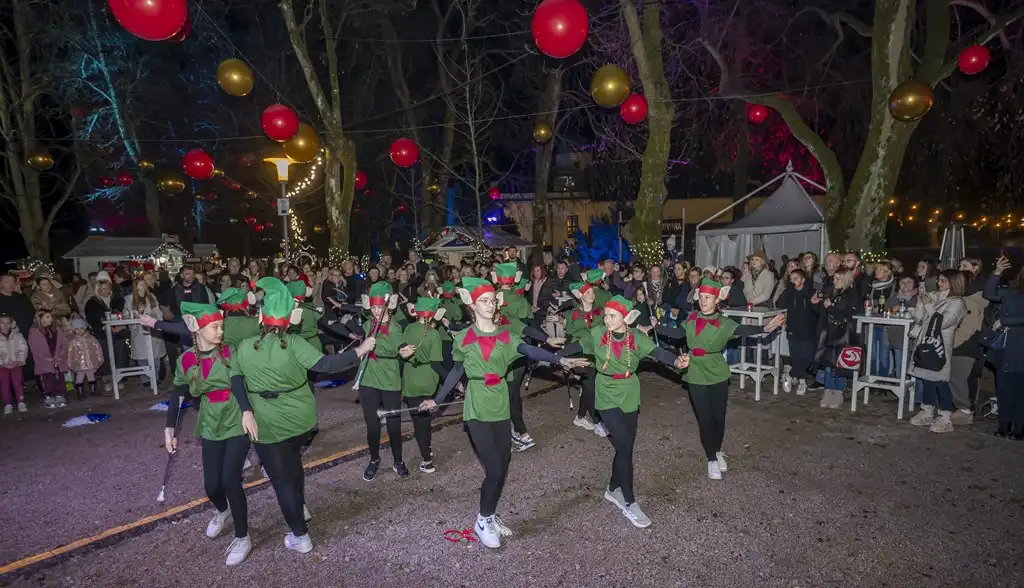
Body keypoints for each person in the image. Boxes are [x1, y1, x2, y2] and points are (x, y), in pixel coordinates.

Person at [418, 278, 586, 548]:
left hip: (500, 405)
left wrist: (559, 358)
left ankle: (491, 514)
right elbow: (456, 371)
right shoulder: (463, 338)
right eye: (483, 301)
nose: (490, 304)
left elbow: (528, 350)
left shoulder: (506, 336)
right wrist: (436, 400)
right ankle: (483, 519)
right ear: (472, 305)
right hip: (477, 408)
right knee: (495, 468)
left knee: (503, 465)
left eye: (492, 300)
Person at [229, 277, 374, 554]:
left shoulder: (246, 346)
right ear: (291, 319)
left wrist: (246, 409)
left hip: (266, 422)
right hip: (300, 420)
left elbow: (236, 379)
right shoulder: (295, 343)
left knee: (281, 479)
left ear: (261, 316)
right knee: (292, 463)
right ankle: (301, 506)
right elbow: (327, 364)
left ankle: (300, 536)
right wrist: (361, 349)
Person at [648, 281, 784, 480]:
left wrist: (765, 328)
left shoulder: (725, 323)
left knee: (718, 418)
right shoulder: (692, 318)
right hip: (696, 370)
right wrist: (657, 326)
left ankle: (717, 450)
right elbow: (677, 333)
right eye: (701, 297)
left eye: (708, 297)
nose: (703, 301)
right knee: (705, 418)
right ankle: (711, 458)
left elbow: (743, 330)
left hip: (717, 371)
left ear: (717, 300)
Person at [162, 302, 255, 567]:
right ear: (197, 329)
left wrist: (247, 410)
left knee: (230, 479)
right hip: (211, 421)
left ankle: (243, 537)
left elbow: (237, 381)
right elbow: (177, 392)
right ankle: (223, 510)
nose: (220, 331)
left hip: (236, 417)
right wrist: (169, 428)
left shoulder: (229, 351)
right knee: (211, 485)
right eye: (215, 327)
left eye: (221, 326)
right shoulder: (186, 359)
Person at [584, 296, 685, 528]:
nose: (607, 320)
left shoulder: (636, 338)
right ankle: (629, 502)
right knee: (624, 446)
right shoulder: (598, 333)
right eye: (606, 315)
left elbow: (657, 352)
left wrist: (676, 362)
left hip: (629, 392)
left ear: (626, 318)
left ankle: (612, 488)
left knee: (625, 446)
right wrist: (558, 356)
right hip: (606, 392)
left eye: (612, 316)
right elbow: (579, 346)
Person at [350, 282, 411, 480]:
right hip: (368, 377)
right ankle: (374, 460)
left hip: (389, 378)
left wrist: (404, 351)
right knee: (373, 425)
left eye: (380, 307)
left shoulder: (395, 327)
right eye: (374, 307)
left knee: (393, 425)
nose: (377, 311)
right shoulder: (369, 324)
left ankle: (398, 460)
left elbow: (401, 343)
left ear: (388, 305)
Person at [909, 269, 967, 433]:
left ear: (953, 283)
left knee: (940, 378)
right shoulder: (935, 297)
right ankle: (927, 410)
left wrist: (928, 306)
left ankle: (945, 416)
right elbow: (919, 317)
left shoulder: (957, 303)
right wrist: (921, 302)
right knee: (926, 376)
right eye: (939, 280)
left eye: (943, 280)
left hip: (940, 344)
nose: (939, 283)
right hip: (925, 341)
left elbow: (943, 322)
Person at [400, 298, 448, 473]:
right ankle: (427, 453)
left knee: (418, 421)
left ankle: (427, 458)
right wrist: (452, 380)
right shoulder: (434, 334)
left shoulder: (408, 328)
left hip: (411, 377)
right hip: (428, 378)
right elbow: (436, 364)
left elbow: (401, 353)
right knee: (425, 419)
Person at [984, 256, 1024, 438]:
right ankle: (1004, 424)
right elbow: (989, 294)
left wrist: (1005, 320)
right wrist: (997, 273)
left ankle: (1020, 427)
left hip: (1020, 347)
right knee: (1004, 387)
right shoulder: (1012, 290)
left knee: (1021, 389)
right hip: (1006, 346)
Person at [812, 268, 861, 409]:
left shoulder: (852, 295)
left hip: (843, 334)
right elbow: (821, 312)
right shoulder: (831, 292)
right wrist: (816, 304)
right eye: (834, 278)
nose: (835, 281)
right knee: (828, 362)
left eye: (838, 279)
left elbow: (848, 317)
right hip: (828, 331)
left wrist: (831, 308)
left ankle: (839, 391)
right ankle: (828, 390)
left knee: (840, 363)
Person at [564, 280, 607, 436]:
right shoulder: (572, 314)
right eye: (588, 292)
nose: (591, 294)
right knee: (590, 382)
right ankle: (597, 421)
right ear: (580, 296)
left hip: (594, 352)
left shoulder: (600, 312)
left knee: (589, 384)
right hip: (577, 352)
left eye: (592, 292)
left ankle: (580, 417)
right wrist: (566, 358)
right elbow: (569, 335)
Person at [776, 269, 816, 394]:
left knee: (808, 357)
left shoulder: (811, 292)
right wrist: (788, 291)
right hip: (793, 328)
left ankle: (790, 374)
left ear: (803, 280)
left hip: (809, 329)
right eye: (791, 279)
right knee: (796, 356)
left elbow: (817, 310)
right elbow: (779, 304)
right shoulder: (789, 293)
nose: (793, 281)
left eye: (796, 278)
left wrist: (814, 303)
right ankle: (802, 382)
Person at [125, 278, 167, 386]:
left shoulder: (151, 297)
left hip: (152, 328)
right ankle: (145, 379)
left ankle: (155, 377)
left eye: (144, 284)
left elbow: (158, 311)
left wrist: (157, 319)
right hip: (139, 330)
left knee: (155, 355)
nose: (143, 286)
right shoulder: (130, 299)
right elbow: (127, 313)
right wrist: (135, 316)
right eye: (140, 284)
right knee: (142, 356)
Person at [28, 310, 69, 408]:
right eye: (47, 317)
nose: (50, 319)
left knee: (59, 378)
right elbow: (35, 348)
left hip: (58, 360)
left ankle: (60, 395)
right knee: (47, 380)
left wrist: (61, 355)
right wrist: (46, 358)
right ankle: (49, 396)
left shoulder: (57, 330)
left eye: (50, 317)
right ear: (40, 319)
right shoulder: (34, 332)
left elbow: (64, 343)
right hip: (44, 362)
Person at [67, 316, 103, 400]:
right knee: (79, 377)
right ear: (73, 329)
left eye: (81, 328)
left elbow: (97, 348)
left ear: (85, 328)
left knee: (91, 375)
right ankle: (80, 393)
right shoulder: (73, 341)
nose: (79, 331)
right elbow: (70, 353)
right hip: (79, 364)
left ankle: (93, 391)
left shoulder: (91, 338)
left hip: (90, 362)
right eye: (77, 329)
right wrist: (70, 363)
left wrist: (99, 358)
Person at [0, 314, 29, 414]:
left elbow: (23, 348)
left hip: (16, 365)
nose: (5, 325)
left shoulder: (17, 335)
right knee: (4, 384)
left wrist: (18, 360)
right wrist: (3, 363)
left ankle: (21, 402)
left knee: (17, 383)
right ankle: (7, 404)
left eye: (8, 323)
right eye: (2, 323)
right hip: (2, 366)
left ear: (11, 324)